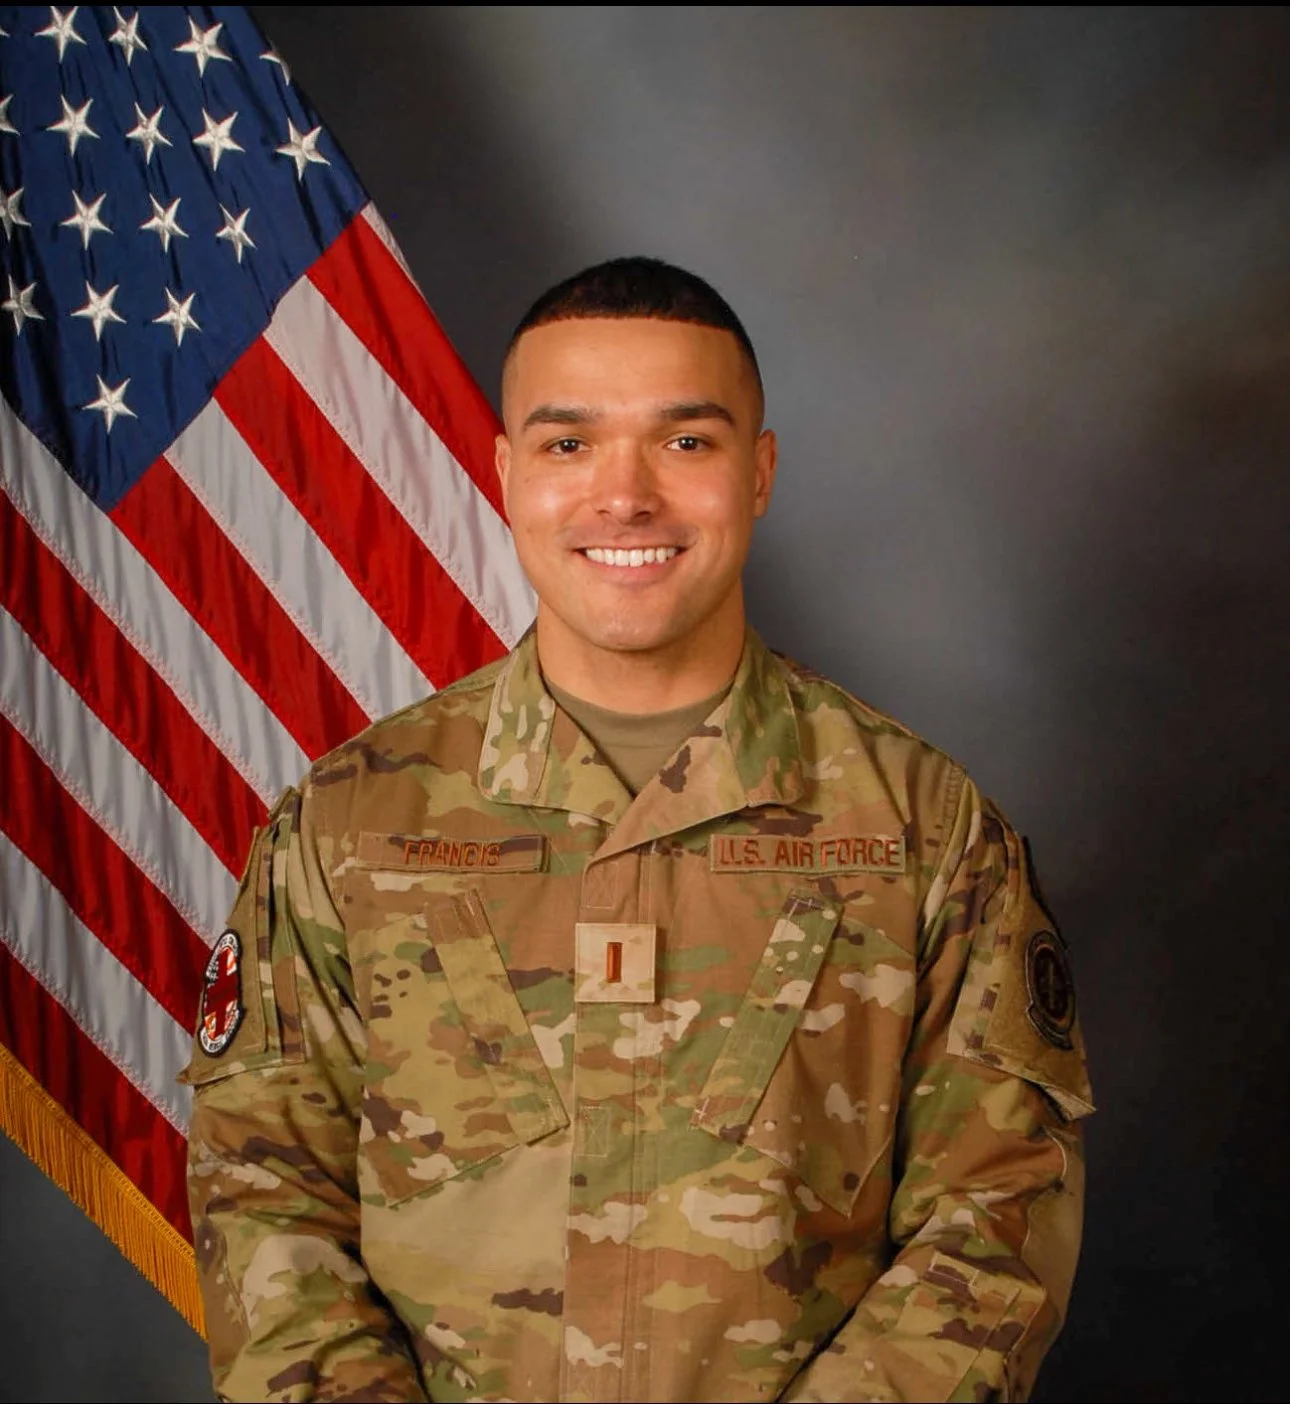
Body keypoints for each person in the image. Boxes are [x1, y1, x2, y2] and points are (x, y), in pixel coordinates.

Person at [184, 257, 1093, 1403]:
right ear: (505, 474)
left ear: (759, 473)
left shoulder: (922, 827)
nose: (625, 496)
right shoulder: (348, 822)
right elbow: (265, 1197)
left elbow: (994, 1212)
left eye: (686, 440)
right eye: (569, 443)